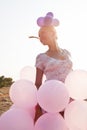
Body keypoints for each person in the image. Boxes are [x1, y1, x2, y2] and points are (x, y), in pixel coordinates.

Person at [30, 12, 73, 122]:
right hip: (52, 98)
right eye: (39, 35)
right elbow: (38, 84)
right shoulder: (41, 57)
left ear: (53, 32)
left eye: (43, 33)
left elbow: (72, 75)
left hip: (70, 99)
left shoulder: (67, 53)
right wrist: (38, 107)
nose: (40, 37)